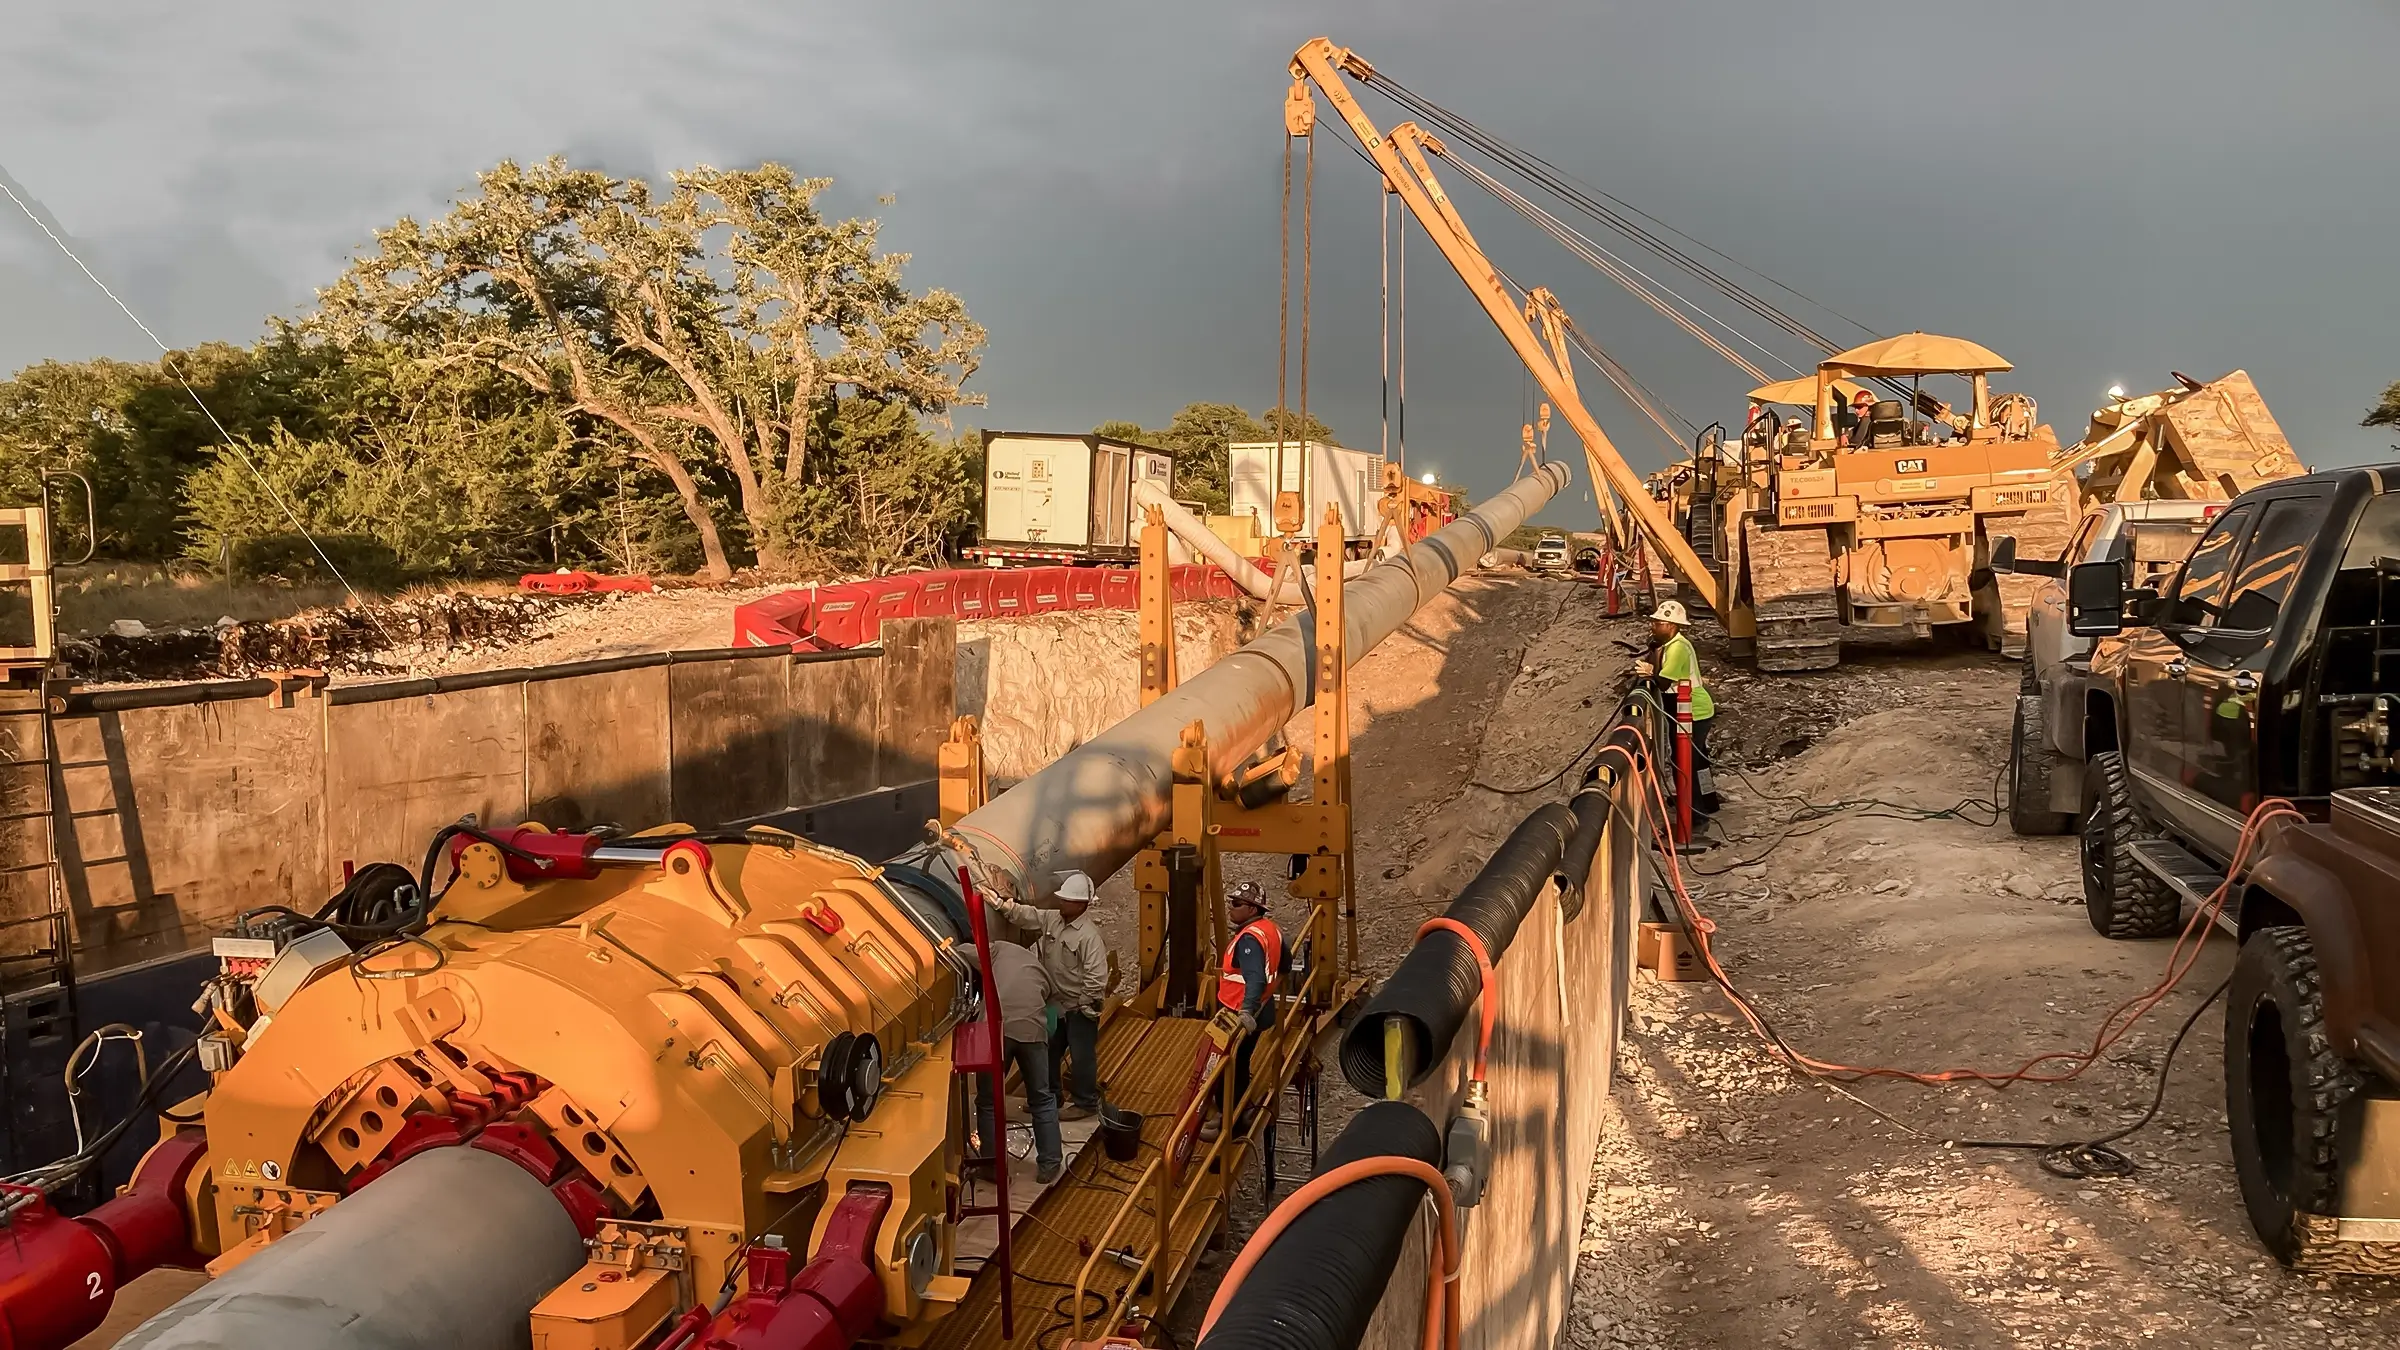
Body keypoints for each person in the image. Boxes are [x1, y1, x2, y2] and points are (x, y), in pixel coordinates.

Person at [984, 870, 1110, 1120]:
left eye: (1066, 900)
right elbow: (1028, 916)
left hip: (1078, 1008)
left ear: (1082, 904)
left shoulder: (1088, 937)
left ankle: (1085, 1103)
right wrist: (1001, 905)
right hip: (1056, 1004)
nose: (1061, 902)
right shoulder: (1053, 920)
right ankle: (1052, 1096)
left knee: (1081, 1054)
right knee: (1049, 1049)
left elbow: (1096, 978)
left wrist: (1083, 1006)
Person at [972, 938, 1064, 1184]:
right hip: (1033, 1032)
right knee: (1042, 1098)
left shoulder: (996, 949)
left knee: (989, 1102)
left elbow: (958, 952)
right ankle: (1050, 1163)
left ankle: (993, 1168)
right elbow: (1054, 1019)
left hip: (997, 1030)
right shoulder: (1040, 971)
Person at [1200, 880, 1282, 1143]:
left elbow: (1256, 977)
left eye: (1236, 904)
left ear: (1252, 909)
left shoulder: (1249, 940)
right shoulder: (1270, 930)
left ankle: (1228, 1122)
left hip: (1240, 1014)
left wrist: (1246, 1011)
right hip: (1264, 1010)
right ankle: (1242, 1110)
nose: (1231, 909)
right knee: (1241, 1060)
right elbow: (1286, 963)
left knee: (1228, 1065)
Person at [1634, 600, 1720, 818]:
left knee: (1686, 761)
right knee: (1698, 761)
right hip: (1688, 708)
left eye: (1657, 623)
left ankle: (1694, 813)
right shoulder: (1672, 645)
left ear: (1671, 625)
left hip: (1692, 710)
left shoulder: (1678, 648)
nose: (1652, 626)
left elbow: (1663, 681)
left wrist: (1648, 672)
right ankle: (1708, 800)